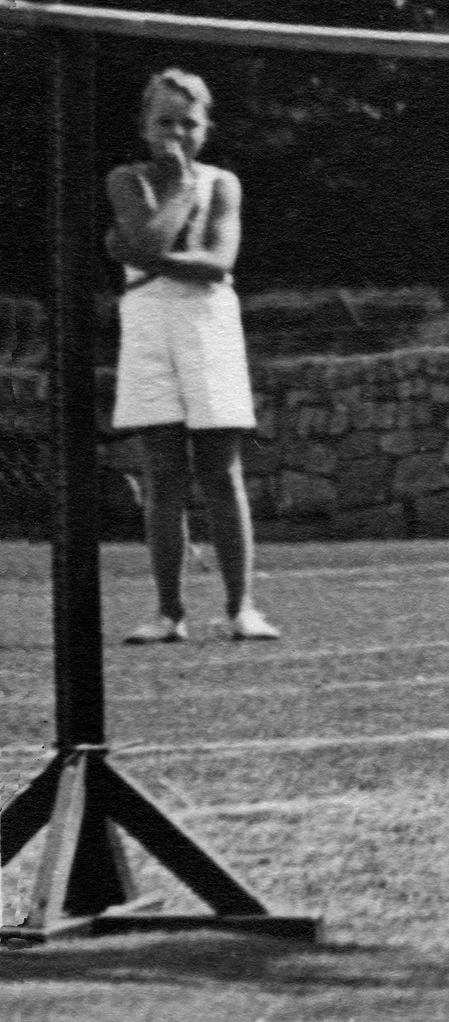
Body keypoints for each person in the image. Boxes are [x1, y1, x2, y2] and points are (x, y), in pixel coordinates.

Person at [107, 68, 280, 643]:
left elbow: (217, 263)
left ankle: (241, 607)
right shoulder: (126, 180)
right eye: (164, 122)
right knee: (163, 471)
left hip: (208, 320)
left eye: (189, 123)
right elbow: (153, 242)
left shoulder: (223, 183)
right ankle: (168, 612)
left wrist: (138, 250)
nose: (176, 134)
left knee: (220, 469)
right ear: (144, 125)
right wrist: (176, 192)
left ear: (206, 127)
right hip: (148, 320)